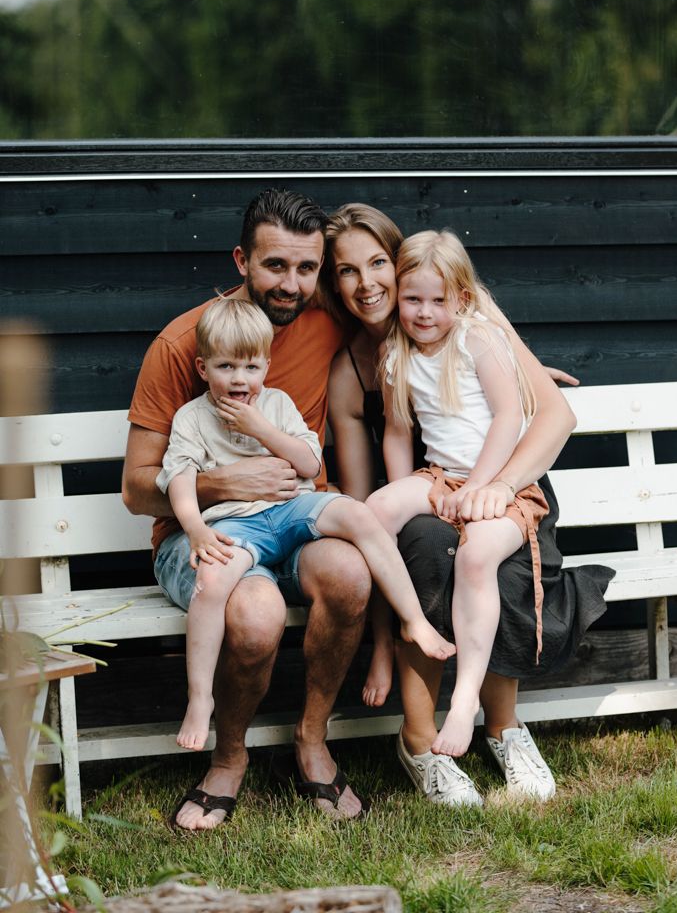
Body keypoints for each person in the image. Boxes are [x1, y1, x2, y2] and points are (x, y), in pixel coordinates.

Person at [325, 203, 613, 806]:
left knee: (488, 559)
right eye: (348, 271)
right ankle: (419, 735)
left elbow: (529, 408)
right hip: (437, 482)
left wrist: (494, 482)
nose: (367, 283)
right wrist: (418, 500)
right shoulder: (366, 360)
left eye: (378, 263)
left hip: (501, 480)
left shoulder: (475, 320)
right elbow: (385, 458)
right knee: (404, 536)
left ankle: (497, 725)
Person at [123, 188, 370, 828]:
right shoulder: (184, 344)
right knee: (256, 615)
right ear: (241, 260)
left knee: (348, 575)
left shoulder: (325, 318)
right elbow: (136, 488)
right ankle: (228, 759)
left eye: (307, 268)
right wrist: (221, 483)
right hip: (201, 536)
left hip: (289, 517)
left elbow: (423, 311)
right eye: (275, 266)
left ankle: (312, 741)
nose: (292, 285)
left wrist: (518, 369)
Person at [157, 295, 455, 754]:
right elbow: (180, 480)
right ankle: (200, 699)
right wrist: (196, 530)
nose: (240, 379)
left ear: (266, 366)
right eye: (226, 367)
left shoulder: (275, 404)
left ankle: (413, 619)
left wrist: (261, 429)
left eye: (252, 367)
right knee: (212, 582)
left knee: (357, 512)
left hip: (290, 510)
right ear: (202, 368)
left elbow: (308, 461)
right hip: (237, 528)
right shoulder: (192, 418)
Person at [366, 229, 549, 760]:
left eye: (437, 300)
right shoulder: (396, 353)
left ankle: (465, 696)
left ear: (461, 299)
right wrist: (409, 490)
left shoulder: (477, 337)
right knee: (377, 511)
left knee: (474, 558)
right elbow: (399, 432)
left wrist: (480, 488)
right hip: (442, 477)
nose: (424, 313)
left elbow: (510, 415)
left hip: (501, 483)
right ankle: (407, 624)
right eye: (412, 299)